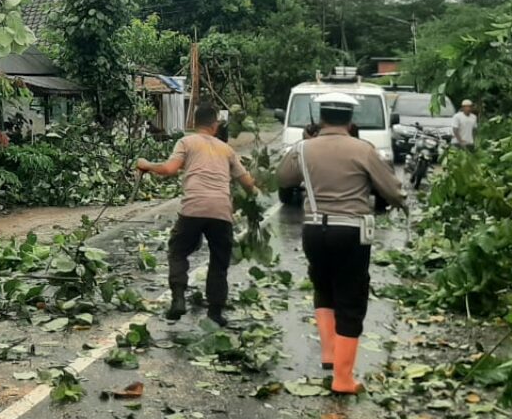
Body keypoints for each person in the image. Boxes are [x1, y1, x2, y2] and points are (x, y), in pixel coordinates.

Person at [276, 93, 406, 394]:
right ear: (350, 120)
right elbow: (392, 190)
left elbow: (283, 178)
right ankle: (343, 379)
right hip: (351, 232)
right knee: (351, 298)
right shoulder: (363, 149)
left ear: (321, 118)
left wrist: (304, 144)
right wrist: (401, 204)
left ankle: (329, 354)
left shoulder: (303, 148)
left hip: (314, 231)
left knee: (323, 288)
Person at [135, 102, 260, 325]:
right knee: (219, 261)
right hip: (221, 211)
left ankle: (178, 297)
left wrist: (146, 164)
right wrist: (257, 188)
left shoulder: (186, 142)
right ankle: (215, 312)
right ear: (214, 125)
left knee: (178, 250)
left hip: (193, 208)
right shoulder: (226, 149)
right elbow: (249, 184)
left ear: (194, 123)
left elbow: (169, 170)